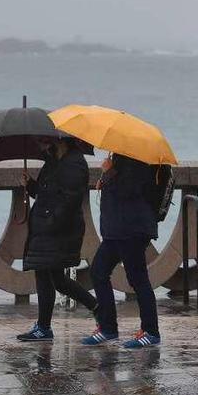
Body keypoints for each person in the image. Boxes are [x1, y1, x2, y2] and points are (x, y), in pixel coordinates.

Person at [17, 137, 98, 341]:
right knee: (58, 280)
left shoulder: (74, 164)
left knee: (46, 275)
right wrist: (31, 185)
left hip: (59, 231)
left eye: (46, 140)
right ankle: (98, 308)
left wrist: (51, 221)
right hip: (46, 229)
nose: (42, 144)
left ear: (62, 141)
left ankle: (44, 327)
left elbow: (71, 200)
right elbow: (47, 194)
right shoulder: (53, 162)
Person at [83, 153, 161, 348]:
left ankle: (151, 331)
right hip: (116, 230)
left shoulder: (138, 160)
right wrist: (105, 177)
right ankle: (108, 328)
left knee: (138, 279)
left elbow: (129, 190)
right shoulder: (120, 158)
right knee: (98, 272)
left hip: (132, 230)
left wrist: (108, 172)